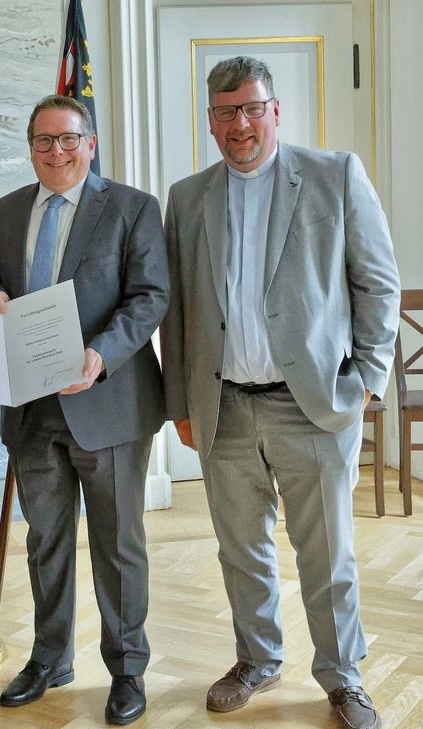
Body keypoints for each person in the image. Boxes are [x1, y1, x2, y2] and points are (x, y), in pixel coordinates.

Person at [161, 56, 400, 729]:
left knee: (328, 554)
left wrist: (367, 377)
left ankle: (343, 676)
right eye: (225, 112)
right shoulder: (187, 197)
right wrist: (180, 404)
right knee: (241, 548)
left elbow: (378, 282)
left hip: (313, 404)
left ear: (275, 111)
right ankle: (257, 658)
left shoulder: (334, 175)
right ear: (210, 122)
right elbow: (177, 311)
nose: (240, 124)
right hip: (224, 406)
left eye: (251, 108)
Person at [0, 95, 168, 725]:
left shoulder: (133, 207)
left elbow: (150, 296)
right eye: (43, 141)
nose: (56, 152)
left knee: (118, 545)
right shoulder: (5, 211)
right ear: (30, 147)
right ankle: (51, 658)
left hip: (106, 403)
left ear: (90, 143)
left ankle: (127, 669)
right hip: (31, 410)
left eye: (68, 139)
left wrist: (100, 354)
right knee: (46, 541)